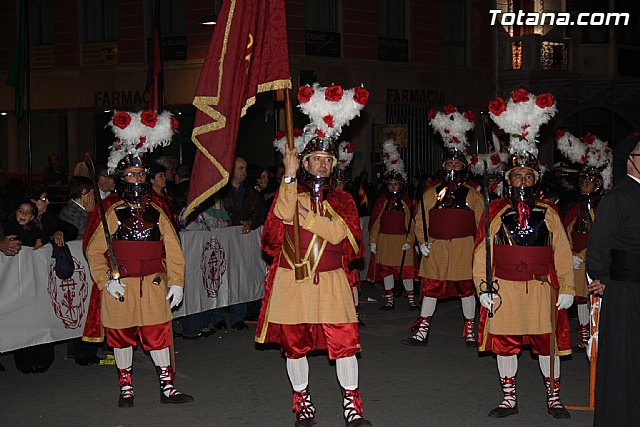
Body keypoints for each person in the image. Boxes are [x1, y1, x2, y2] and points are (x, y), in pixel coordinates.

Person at [256, 83, 371, 426]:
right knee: (295, 345)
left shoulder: (343, 200)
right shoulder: (290, 190)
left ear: (334, 164)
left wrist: (311, 219)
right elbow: (272, 236)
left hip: (333, 280)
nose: (321, 164)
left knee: (345, 342)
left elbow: (349, 243)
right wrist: (288, 176)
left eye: (326, 160)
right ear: (304, 162)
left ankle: (353, 406)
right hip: (293, 281)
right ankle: (302, 401)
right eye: (314, 159)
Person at [83, 110, 193, 407]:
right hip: (121, 285)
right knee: (121, 336)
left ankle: (167, 386)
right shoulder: (109, 210)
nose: (138, 178)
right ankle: (125, 386)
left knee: (158, 334)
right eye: (131, 174)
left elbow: (173, 248)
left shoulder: (158, 207)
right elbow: (94, 251)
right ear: (120, 177)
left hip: (154, 283)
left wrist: (178, 281)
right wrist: (106, 281)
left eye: (141, 173)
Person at [475, 90, 573, 419]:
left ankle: (553, 397)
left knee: (547, 343)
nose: (523, 180)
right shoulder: (495, 210)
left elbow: (561, 250)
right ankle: (508, 398)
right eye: (517, 175)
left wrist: (569, 289)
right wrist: (483, 287)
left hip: (542, 287)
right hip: (505, 288)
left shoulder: (548, 212)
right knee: (505, 343)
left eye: (528, 176)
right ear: (508, 180)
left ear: (536, 180)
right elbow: (482, 254)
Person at [401, 148, 483, 346]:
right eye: (449, 164)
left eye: (456, 164)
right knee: (431, 287)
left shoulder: (473, 195)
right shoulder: (431, 193)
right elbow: (420, 220)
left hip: (464, 248)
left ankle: (470, 329)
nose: (452, 168)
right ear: (444, 167)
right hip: (437, 247)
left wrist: (480, 250)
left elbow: (482, 224)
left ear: (463, 168)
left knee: (466, 289)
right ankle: (423, 329)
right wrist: (422, 242)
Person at [587, 138, 640, 426]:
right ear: (630, 159)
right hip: (625, 290)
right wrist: (604, 278)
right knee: (624, 360)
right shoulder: (617, 198)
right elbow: (598, 245)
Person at [556, 130, 612, 351]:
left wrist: (587, 253)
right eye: (582, 182)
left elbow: (605, 236)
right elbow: (563, 231)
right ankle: (583, 330)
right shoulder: (574, 207)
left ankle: (597, 330)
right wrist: (568, 253)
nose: (583, 185)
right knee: (580, 296)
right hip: (576, 259)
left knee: (595, 296)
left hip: (594, 258)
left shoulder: (602, 207)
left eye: (588, 183)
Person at [368, 140, 417, 311]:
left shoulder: (406, 202)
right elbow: (376, 223)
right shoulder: (382, 201)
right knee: (387, 271)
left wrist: (410, 241)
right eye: (391, 184)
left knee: (407, 272)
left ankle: (411, 300)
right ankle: (389, 300)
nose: (393, 187)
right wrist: (373, 241)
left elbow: (412, 224)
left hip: (402, 241)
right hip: (385, 241)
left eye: (396, 184)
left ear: (400, 185)